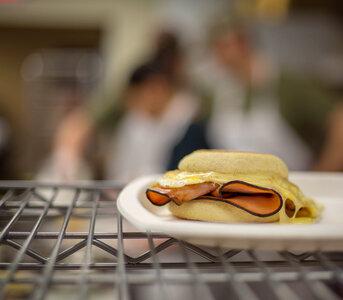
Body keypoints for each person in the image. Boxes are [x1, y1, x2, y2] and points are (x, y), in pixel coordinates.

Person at [192, 19, 313, 170]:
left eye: (224, 46)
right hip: (235, 188)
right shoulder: (217, 92)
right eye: (214, 48)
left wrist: (321, 175)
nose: (218, 54)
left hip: (291, 184)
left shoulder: (285, 83)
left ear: (245, 43)